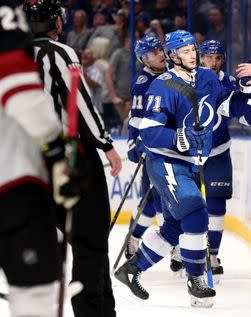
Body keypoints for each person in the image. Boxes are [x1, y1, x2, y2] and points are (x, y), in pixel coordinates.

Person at [23, 1, 122, 316]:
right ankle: (96, 310)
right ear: (55, 24)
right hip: (69, 158)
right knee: (89, 240)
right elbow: (79, 103)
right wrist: (106, 144)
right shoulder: (59, 52)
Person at [115, 30, 219, 308]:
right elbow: (149, 132)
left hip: (190, 164)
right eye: (185, 52)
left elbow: (227, 102)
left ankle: (132, 269)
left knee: (174, 226)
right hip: (165, 162)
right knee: (195, 211)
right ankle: (196, 281)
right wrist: (178, 139)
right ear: (172, 56)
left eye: (193, 50)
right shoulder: (161, 86)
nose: (192, 55)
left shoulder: (207, 77)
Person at [0, 1, 79, 316]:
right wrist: (55, 150)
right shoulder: (5, 15)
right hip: (11, 181)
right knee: (36, 294)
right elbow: (18, 89)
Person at [125, 34, 166, 260]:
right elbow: (136, 118)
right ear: (144, 60)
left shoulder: (171, 73)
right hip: (152, 146)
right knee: (155, 200)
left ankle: (138, 236)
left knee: (154, 201)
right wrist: (135, 141)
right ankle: (171, 246)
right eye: (153, 53)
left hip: (168, 144)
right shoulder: (143, 83)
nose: (160, 54)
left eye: (160, 49)